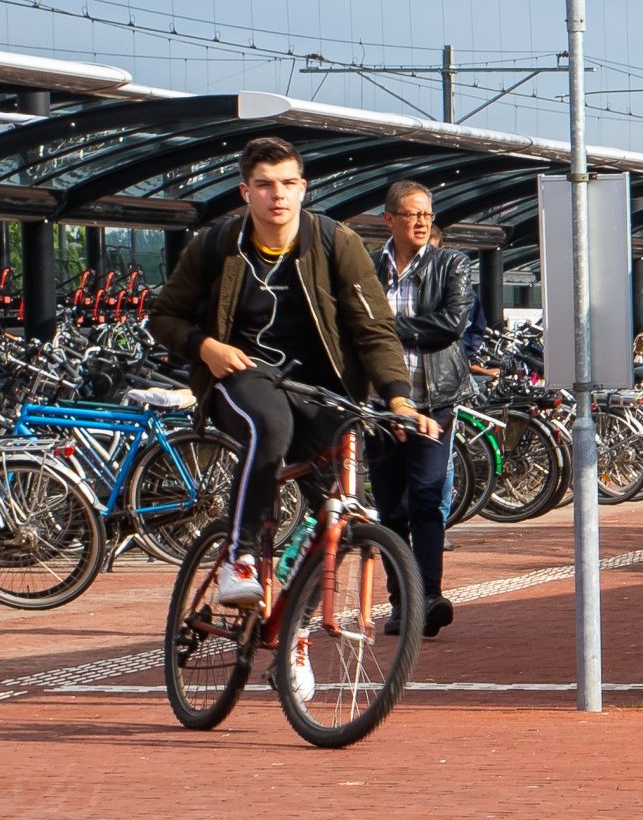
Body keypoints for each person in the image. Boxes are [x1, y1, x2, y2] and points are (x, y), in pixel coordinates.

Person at [147, 136, 438, 612]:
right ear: (246, 192)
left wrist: (398, 397)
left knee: (336, 516)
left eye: (286, 184)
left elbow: (374, 327)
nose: (276, 195)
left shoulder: (334, 242)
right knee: (270, 425)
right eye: (263, 185)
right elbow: (164, 317)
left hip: (321, 387)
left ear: (303, 188)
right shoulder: (218, 245)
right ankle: (239, 556)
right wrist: (206, 347)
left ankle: (294, 634)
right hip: (243, 377)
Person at [368, 180, 475, 634]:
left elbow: (450, 325)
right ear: (389, 219)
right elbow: (352, 326)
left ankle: (429, 596)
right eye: (411, 214)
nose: (421, 222)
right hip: (379, 406)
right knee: (390, 508)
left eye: (427, 215)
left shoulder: (452, 263)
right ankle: (401, 602)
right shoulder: (369, 267)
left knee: (427, 499)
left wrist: (385, 328)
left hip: (435, 401)